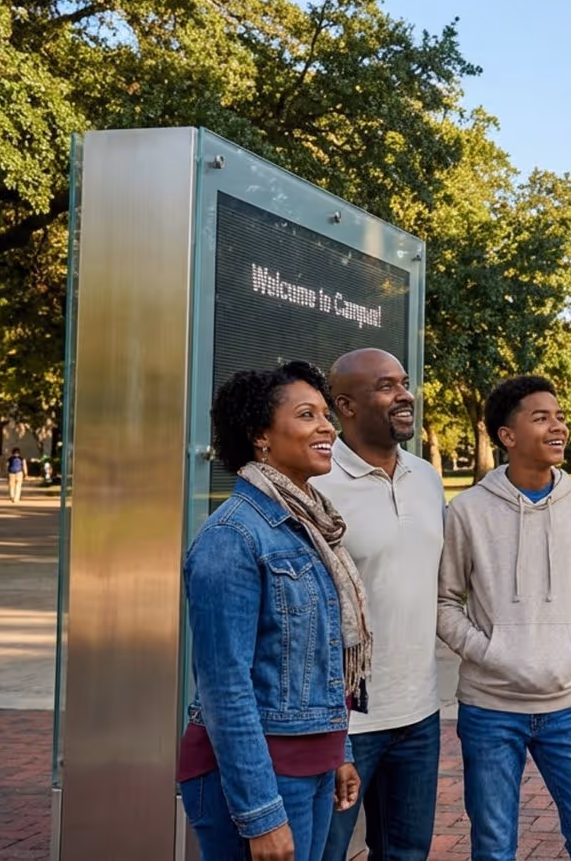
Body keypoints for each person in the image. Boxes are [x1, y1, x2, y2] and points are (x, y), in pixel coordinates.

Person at [179, 362, 368, 861]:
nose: (328, 427)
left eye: (327, 414)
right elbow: (225, 688)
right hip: (258, 779)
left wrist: (338, 753)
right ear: (260, 435)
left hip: (312, 766)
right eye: (308, 415)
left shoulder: (309, 527)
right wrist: (261, 814)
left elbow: (320, 661)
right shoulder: (232, 538)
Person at [438, 376, 571, 861]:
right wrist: (493, 654)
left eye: (559, 416)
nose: (557, 426)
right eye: (541, 418)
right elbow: (445, 601)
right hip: (489, 709)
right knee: (494, 849)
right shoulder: (468, 512)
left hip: (568, 707)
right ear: (507, 436)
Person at [316, 350, 445, 861]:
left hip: (419, 712)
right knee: (322, 852)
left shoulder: (426, 477)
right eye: (386, 386)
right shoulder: (318, 482)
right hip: (345, 722)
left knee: (406, 854)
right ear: (345, 405)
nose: (404, 394)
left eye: (405, 383)